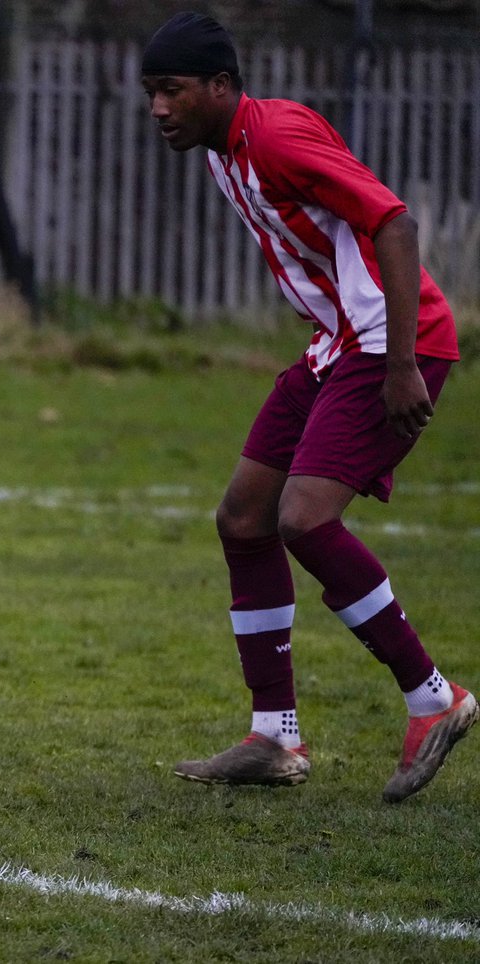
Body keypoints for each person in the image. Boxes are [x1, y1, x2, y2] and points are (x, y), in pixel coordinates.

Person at [140, 13, 474, 802]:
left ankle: (434, 698)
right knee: (244, 518)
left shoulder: (276, 139)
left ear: (221, 86)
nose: (158, 108)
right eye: (151, 92)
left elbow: (394, 222)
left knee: (304, 518)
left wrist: (401, 363)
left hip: (388, 344)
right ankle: (275, 736)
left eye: (172, 90)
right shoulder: (224, 149)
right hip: (338, 345)